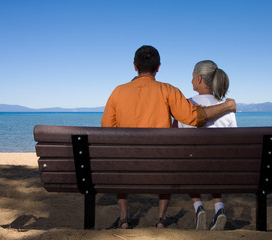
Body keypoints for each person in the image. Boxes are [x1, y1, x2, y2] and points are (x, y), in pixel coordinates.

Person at [101, 46, 236, 229]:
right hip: (160, 167)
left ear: (135, 66)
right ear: (158, 67)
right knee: (167, 157)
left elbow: (107, 129)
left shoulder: (118, 92)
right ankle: (161, 219)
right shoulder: (168, 91)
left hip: (128, 166)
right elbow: (194, 117)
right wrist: (226, 107)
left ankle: (124, 218)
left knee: (121, 157)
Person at [175, 60, 237, 231]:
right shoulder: (228, 109)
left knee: (187, 162)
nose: (191, 80)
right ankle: (219, 208)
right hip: (219, 170)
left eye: (192, 77)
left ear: (199, 78)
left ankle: (198, 206)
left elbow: (175, 141)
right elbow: (234, 143)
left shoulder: (185, 106)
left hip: (192, 168)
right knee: (214, 162)